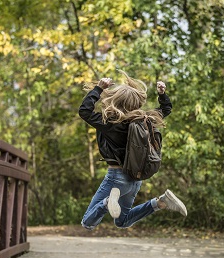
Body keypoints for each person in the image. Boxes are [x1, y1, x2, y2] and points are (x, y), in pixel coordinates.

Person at [79, 71, 187, 231]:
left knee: (88, 223)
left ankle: (107, 202)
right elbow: (166, 109)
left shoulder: (110, 123)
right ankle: (160, 202)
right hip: (135, 179)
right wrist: (162, 95)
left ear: (115, 100)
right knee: (122, 221)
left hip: (116, 178)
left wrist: (98, 88)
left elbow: (84, 111)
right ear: (135, 103)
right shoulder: (145, 120)